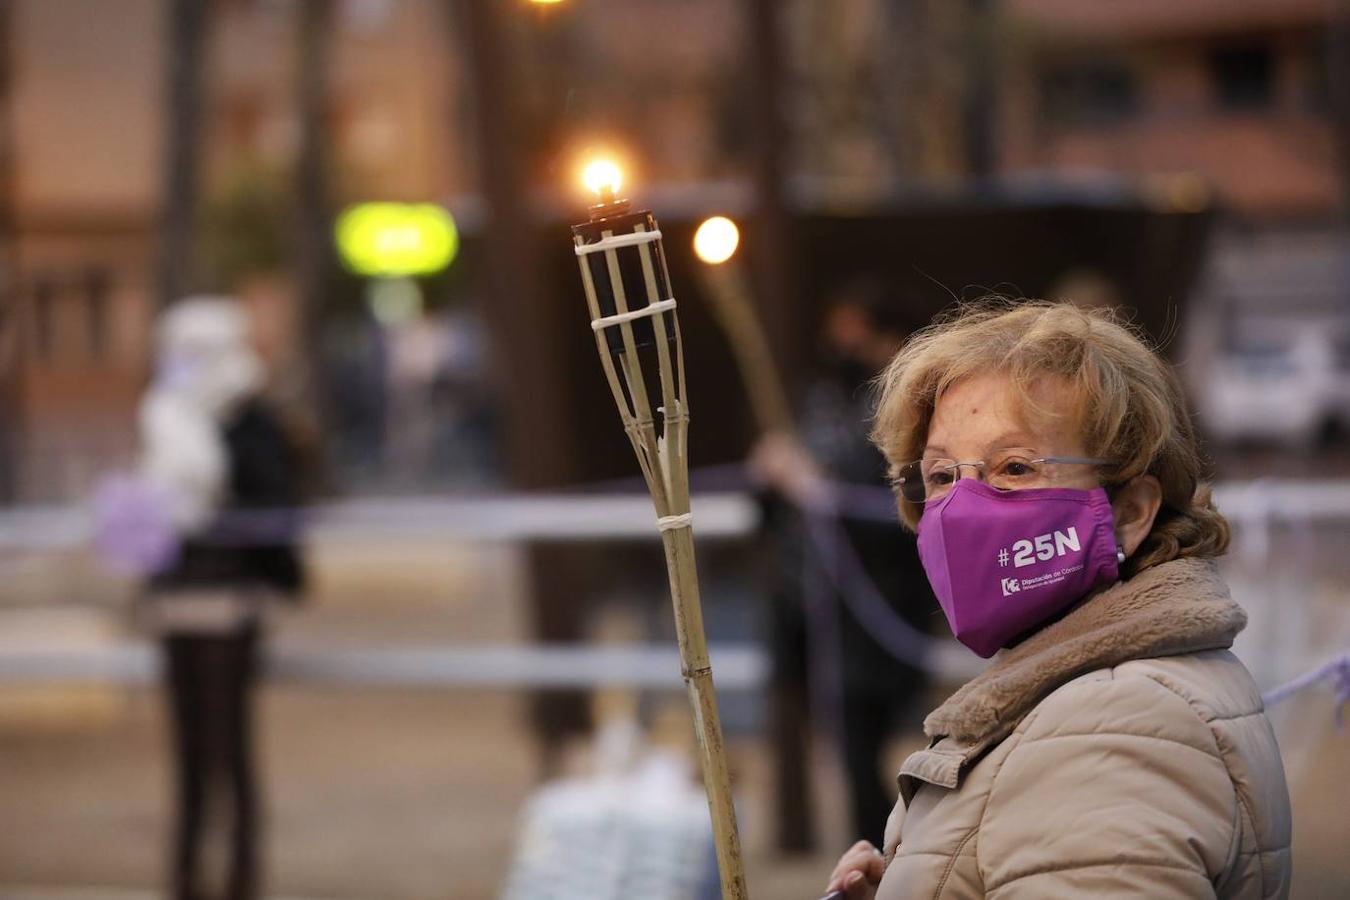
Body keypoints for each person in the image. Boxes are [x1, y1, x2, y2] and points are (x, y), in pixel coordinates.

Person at [824, 300, 1291, 899]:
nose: (964, 509)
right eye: (941, 476)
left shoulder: (1115, 731)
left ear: (1129, 512)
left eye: (1014, 467)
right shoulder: (1095, 693)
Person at [751, 283, 938, 851]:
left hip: (876, 606)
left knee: (864, 748)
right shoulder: (824, 400)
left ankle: (895, 855)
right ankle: (880, 854)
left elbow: (892, 504)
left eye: (856, 329)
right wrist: (773, 476)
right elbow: (775, 507)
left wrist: (814, 484)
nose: (843, 343)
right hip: (811, 602)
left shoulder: (913, 409)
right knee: (841, 746)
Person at [138, 297, 306, 900]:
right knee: (191, 756)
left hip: (228, 610)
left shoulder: (246, 420)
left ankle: (239, 877)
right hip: (178, 607)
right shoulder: (165, 414)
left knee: (228, 754)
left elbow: (274, 512)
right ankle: (188, 876)